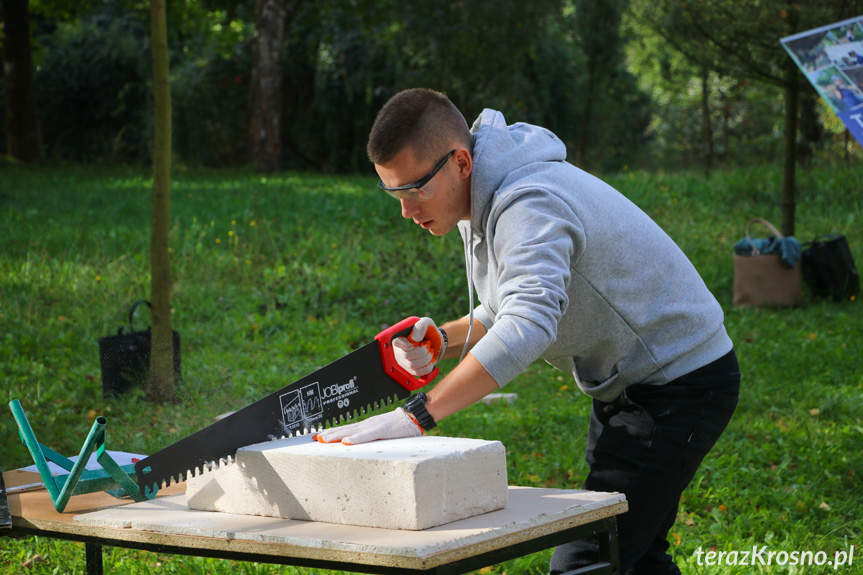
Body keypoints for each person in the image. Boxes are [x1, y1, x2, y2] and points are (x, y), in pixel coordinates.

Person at [314, 88, 741, 575]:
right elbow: (508, 307)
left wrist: (417, 416)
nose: (407, 211)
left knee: (586, 560)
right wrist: (444, 341)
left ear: (460, 163)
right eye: (395, 194)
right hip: (632, 382)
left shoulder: (528, 202)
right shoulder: (480, 196)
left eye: (415, 190)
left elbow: (529, 325)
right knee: (635, 558)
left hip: (678, 383)